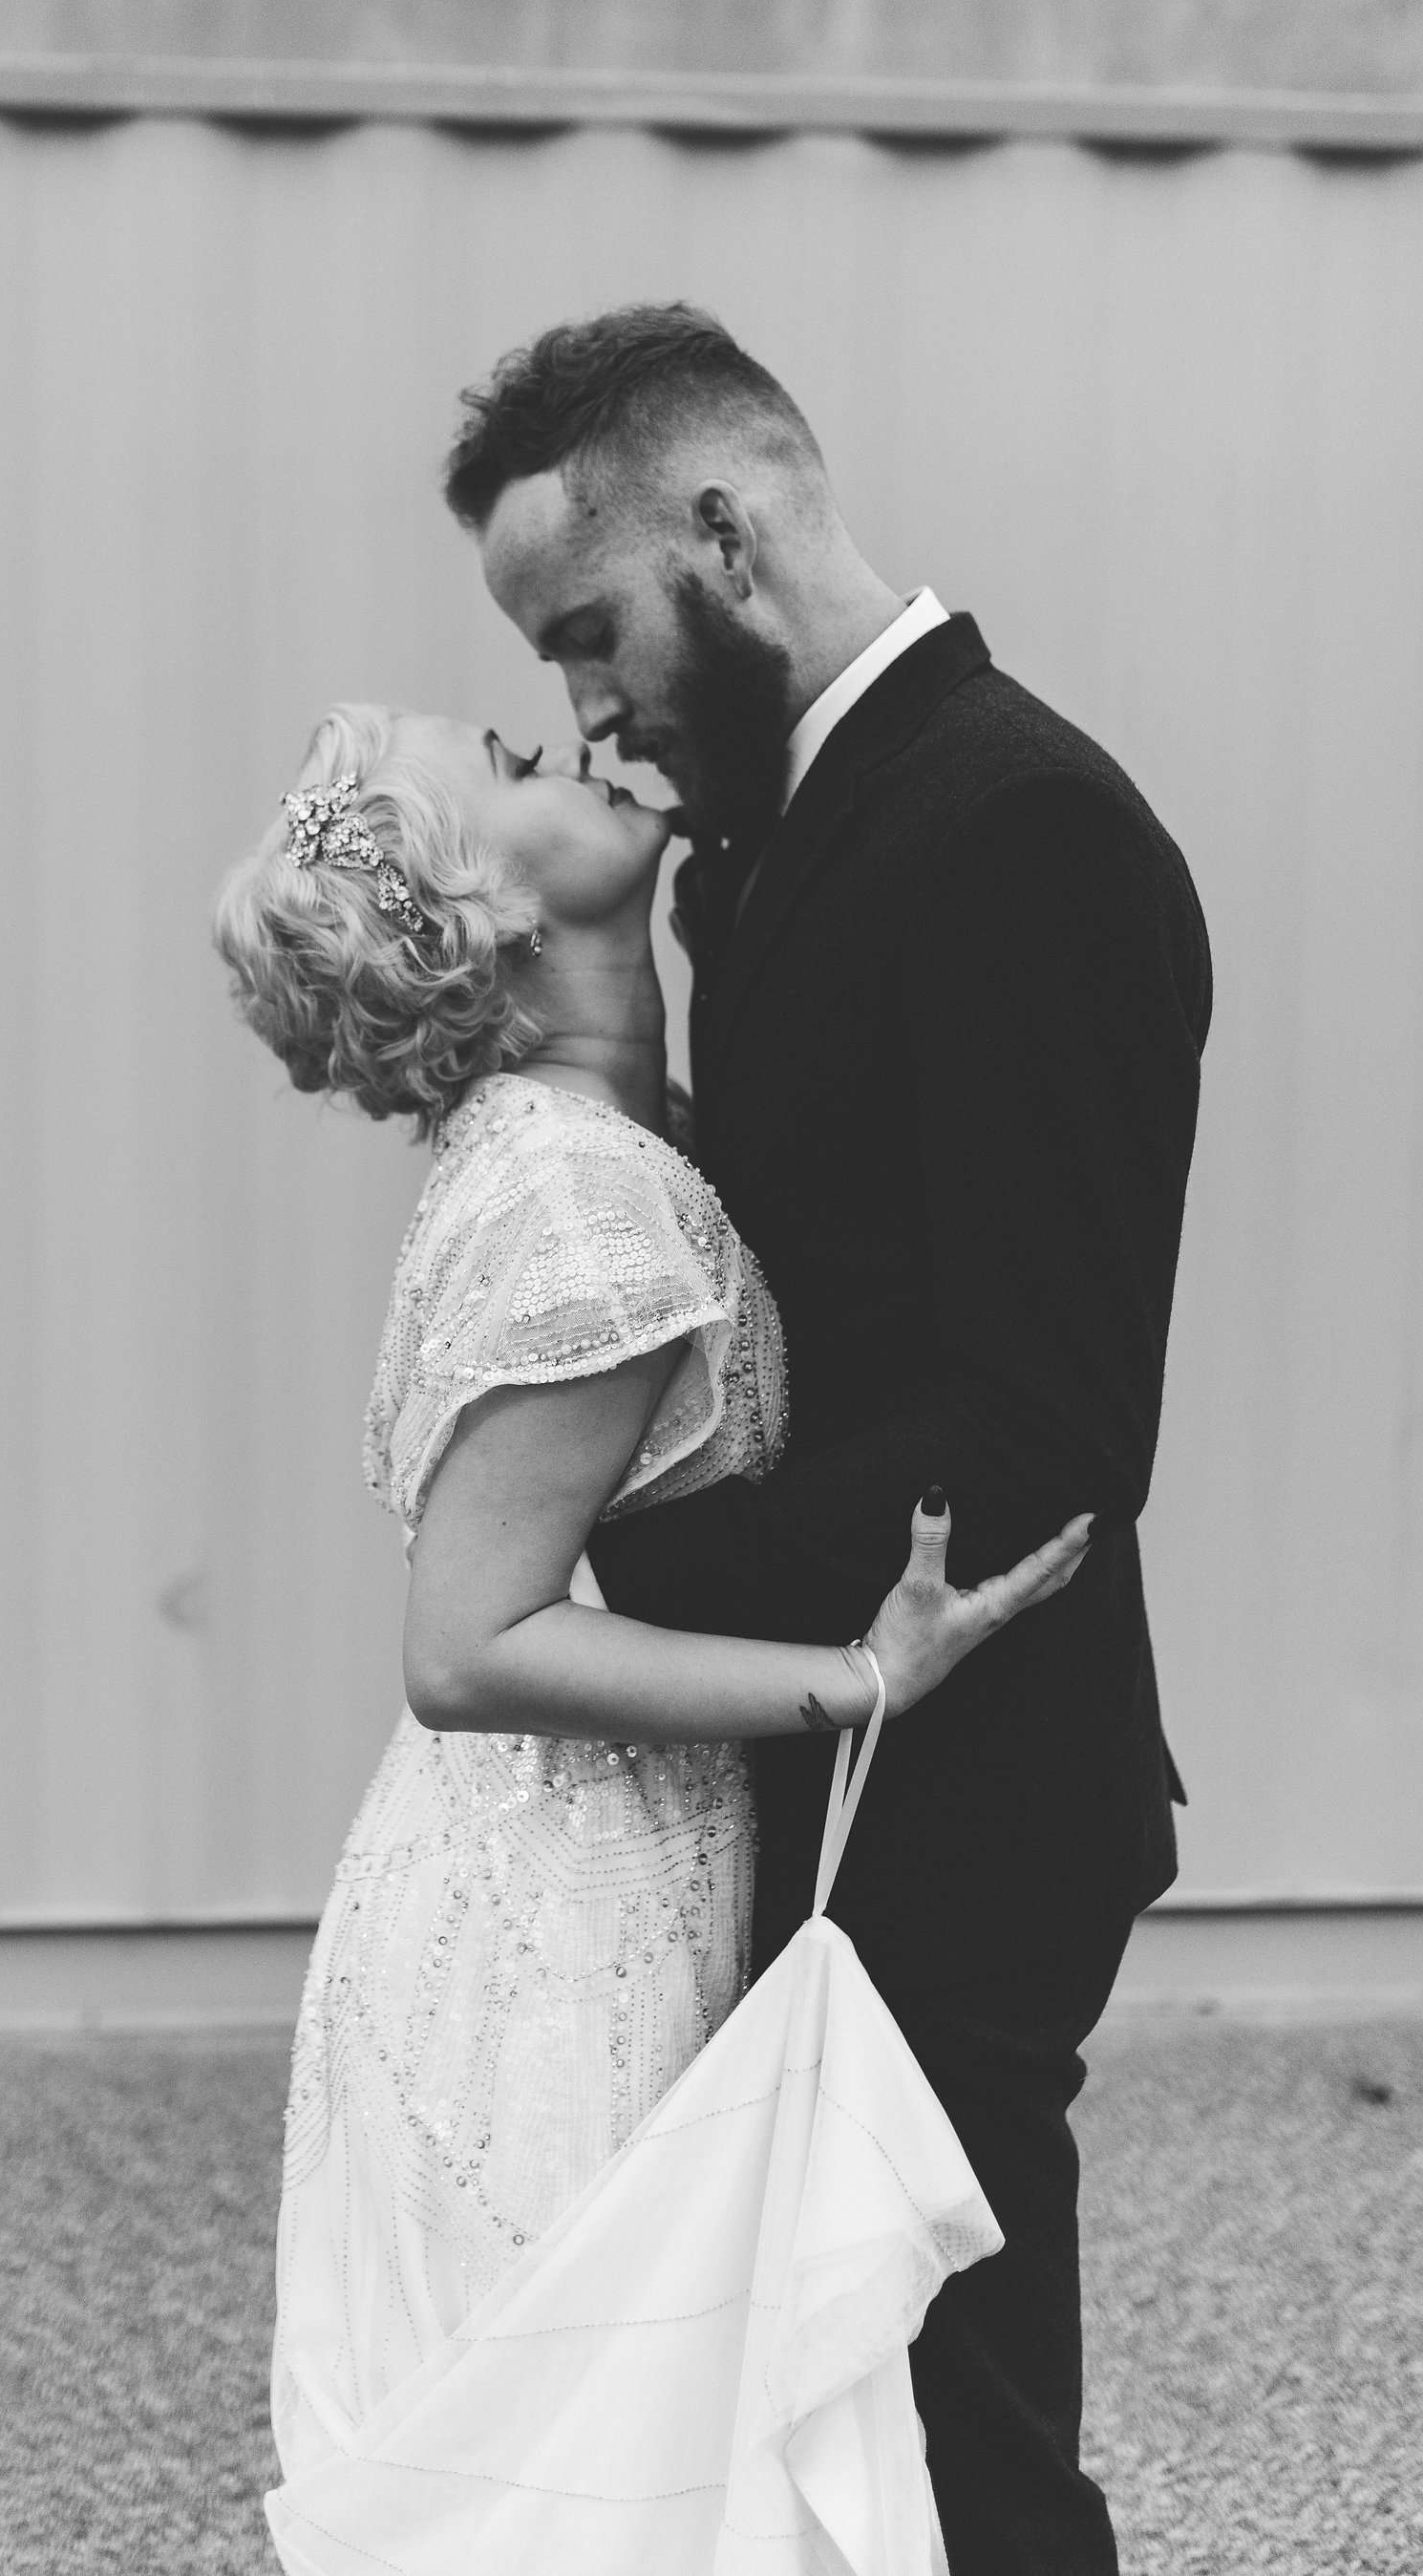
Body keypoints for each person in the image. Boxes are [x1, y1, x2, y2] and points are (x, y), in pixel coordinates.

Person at [446, 300, 1213, 2576]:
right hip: (816, 1737)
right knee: (809, 2436)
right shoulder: (753, 851)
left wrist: (627, 1584)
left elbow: (1046, 1416)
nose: (586, 703)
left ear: (724, 531)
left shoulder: (1022, 828)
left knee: (959, 2441)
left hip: (966, 1783)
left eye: (585, 631)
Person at [215, 701, 1094, 2573]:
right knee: (586, 2471)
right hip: (550, 1926)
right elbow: (467, 1641)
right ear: (482, 912)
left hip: (576, 1863)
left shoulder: (603, 1141)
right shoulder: (581, 1198)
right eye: (506, 763)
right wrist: (857, 1679)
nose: (560, 741)